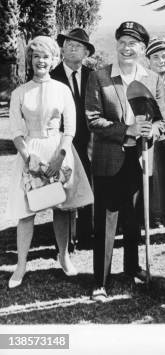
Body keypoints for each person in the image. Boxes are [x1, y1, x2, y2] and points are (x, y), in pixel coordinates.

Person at [85, 21, 165, 302]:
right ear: (116, 45)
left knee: (133, 220)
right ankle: (100, 281)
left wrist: (151, 131)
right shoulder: (100, 77)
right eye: (122, 42)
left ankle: (132, 268)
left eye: (133, 43)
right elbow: (93, 120)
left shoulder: (153, 79)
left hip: (140, 159)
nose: (127, 48)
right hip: (109, 159)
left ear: (143, 49)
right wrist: (127, 130)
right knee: (106, 222)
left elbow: (161, 121)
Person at [4, 36, 93, 288]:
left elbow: (70, 128)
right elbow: (16, 131)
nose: (41, 61)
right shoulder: (19, 93)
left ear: (54, 59)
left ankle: (63, 257)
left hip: (58, 152)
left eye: (46, 56)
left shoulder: (62, 90)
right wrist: (28, 157)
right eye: (35, 56)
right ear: (30, 60)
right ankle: (20, 266)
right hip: (30, 153)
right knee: (26, 211)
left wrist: (60, 156)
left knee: (62, 209)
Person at [53, 28, 95, 249]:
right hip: (61, 143)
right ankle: (65, 240)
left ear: (86, 52)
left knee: (86, 187)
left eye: (77, 45)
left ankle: (86, 235)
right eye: (68, 43)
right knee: (63, 189)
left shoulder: (93, 76)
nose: (71, 47)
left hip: (88, 142)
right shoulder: (52, 76)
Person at [145, 37, 165, 227]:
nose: (161, 61)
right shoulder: (145, 80)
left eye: (164, 56)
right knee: (150, 176)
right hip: (150, 132)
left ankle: (161, 212)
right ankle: (153, 216)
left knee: (162, 176)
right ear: (148, 60)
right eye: (156, 57)